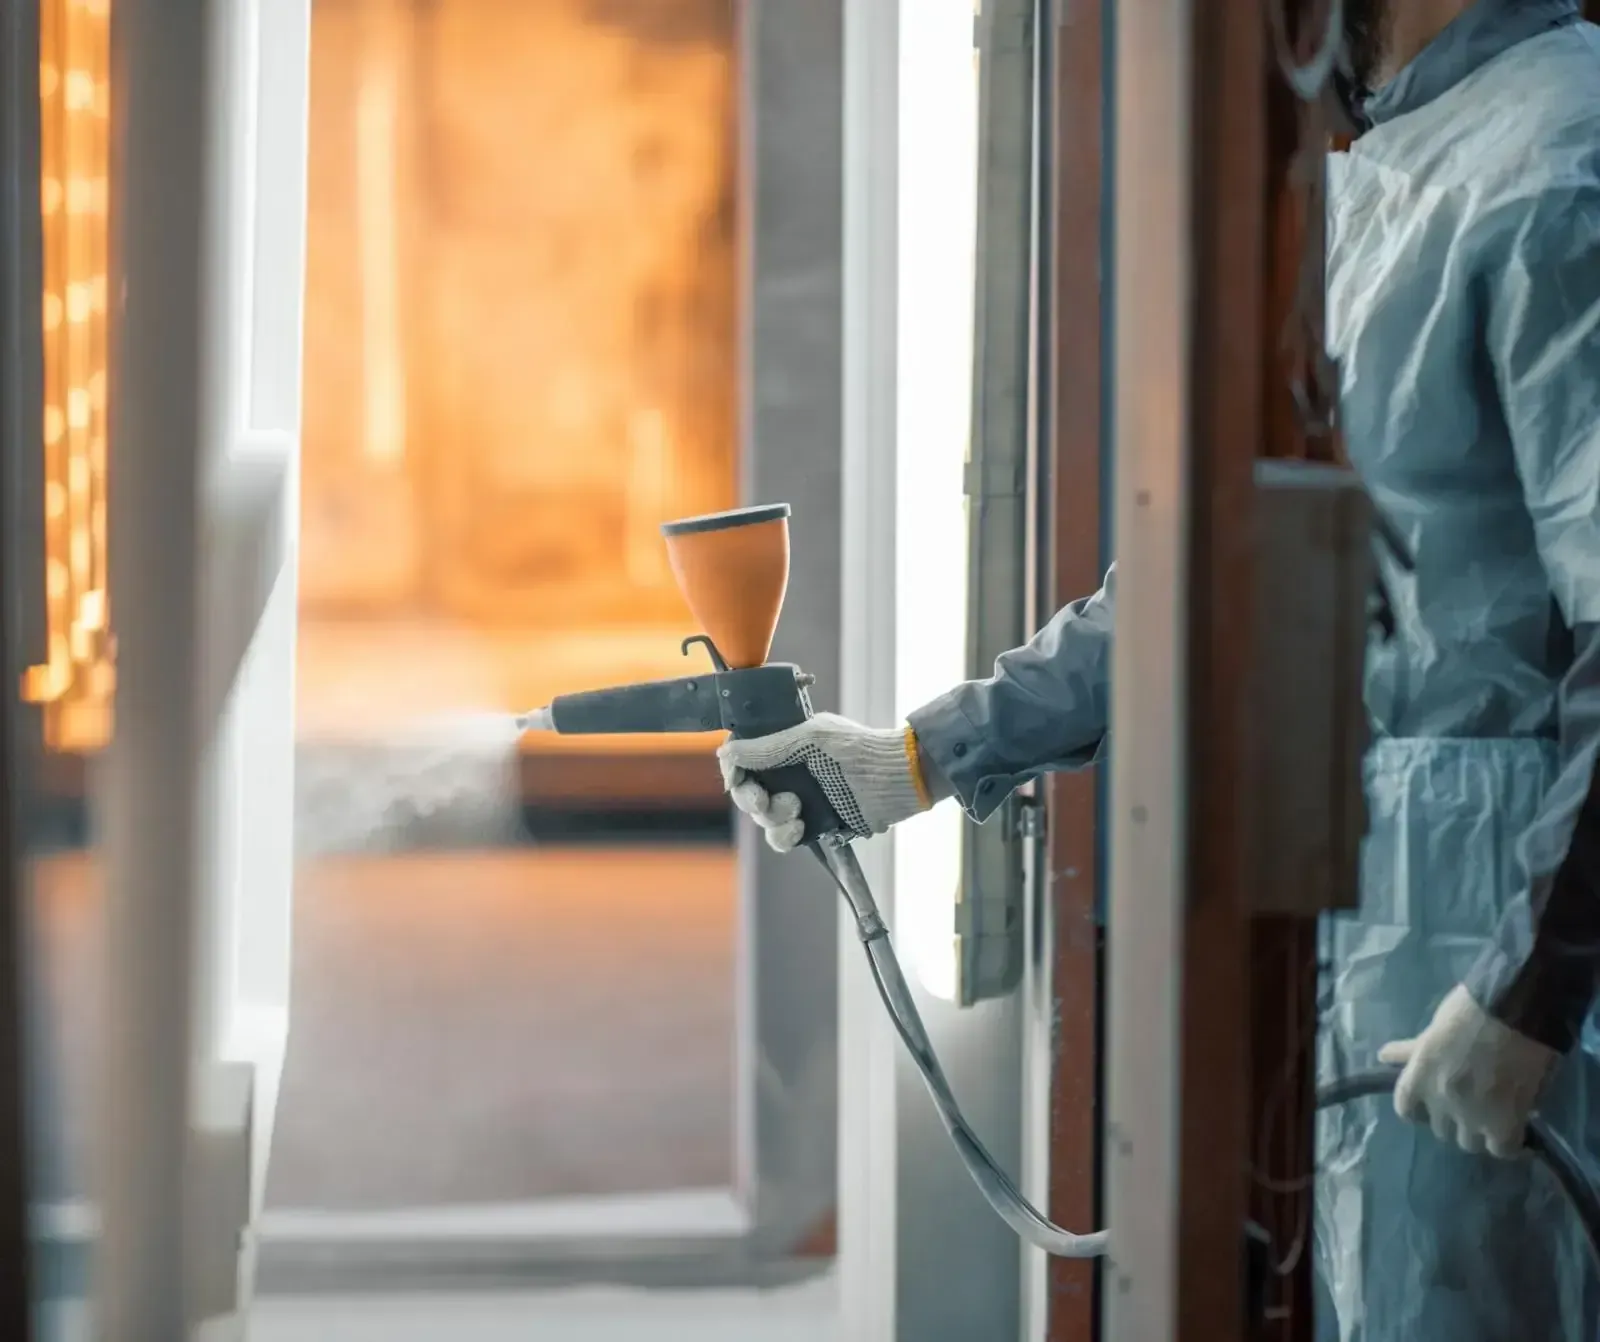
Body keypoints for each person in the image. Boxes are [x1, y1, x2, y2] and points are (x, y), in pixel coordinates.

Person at [719, 1, 1600, 1337]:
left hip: (1489, 931)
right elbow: (1207, 576)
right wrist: (916, 756)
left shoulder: (1557, 167)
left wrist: (1530, 991)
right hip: (1386, 921)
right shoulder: (1403, 162)